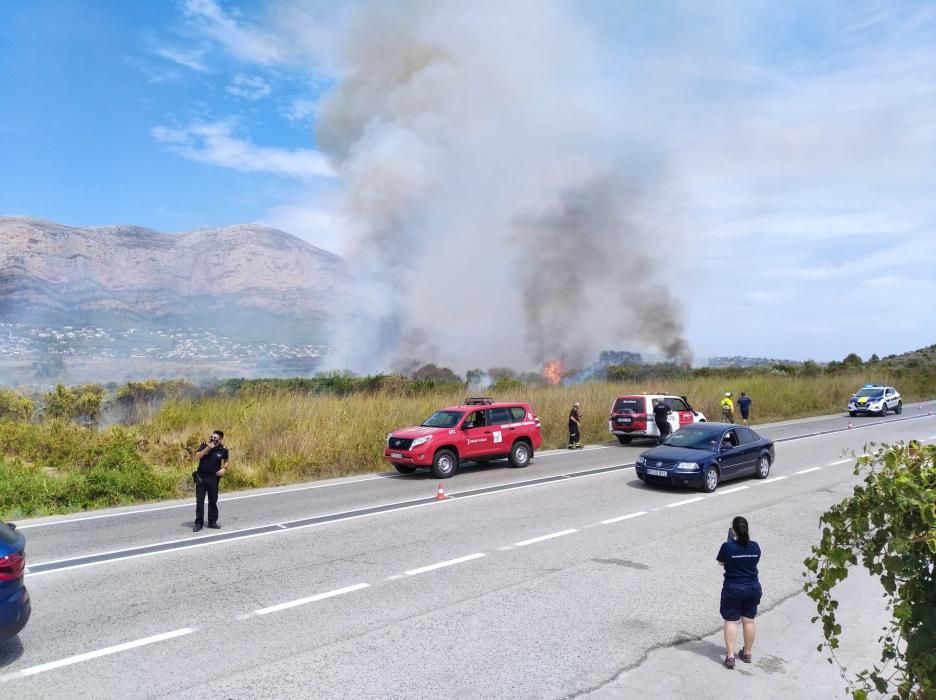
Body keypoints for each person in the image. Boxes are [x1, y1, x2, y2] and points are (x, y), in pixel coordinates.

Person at [716, 516, 762, 669]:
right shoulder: (755, 547)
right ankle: (747, 653)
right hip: (752, 588)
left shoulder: (727, 546)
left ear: (733, 530)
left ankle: (730, 656)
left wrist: (730, 543)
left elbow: (721, 563)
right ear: (747, 529)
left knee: (731, 620)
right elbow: (753, 562)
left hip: (733, 588)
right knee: (748, 620)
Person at [193, 430, 229, 532]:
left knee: (213, 500)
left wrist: (224, 469)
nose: (212, 439)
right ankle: (199, 523)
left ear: (220, 439)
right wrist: (207, 449)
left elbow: (226, 459)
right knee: (200, 502)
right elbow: (197, 456)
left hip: (213, 478)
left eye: (215, 438)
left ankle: (212, 522)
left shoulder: (223, 449)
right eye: (211, 437)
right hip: (201, 477)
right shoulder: (204, 445)